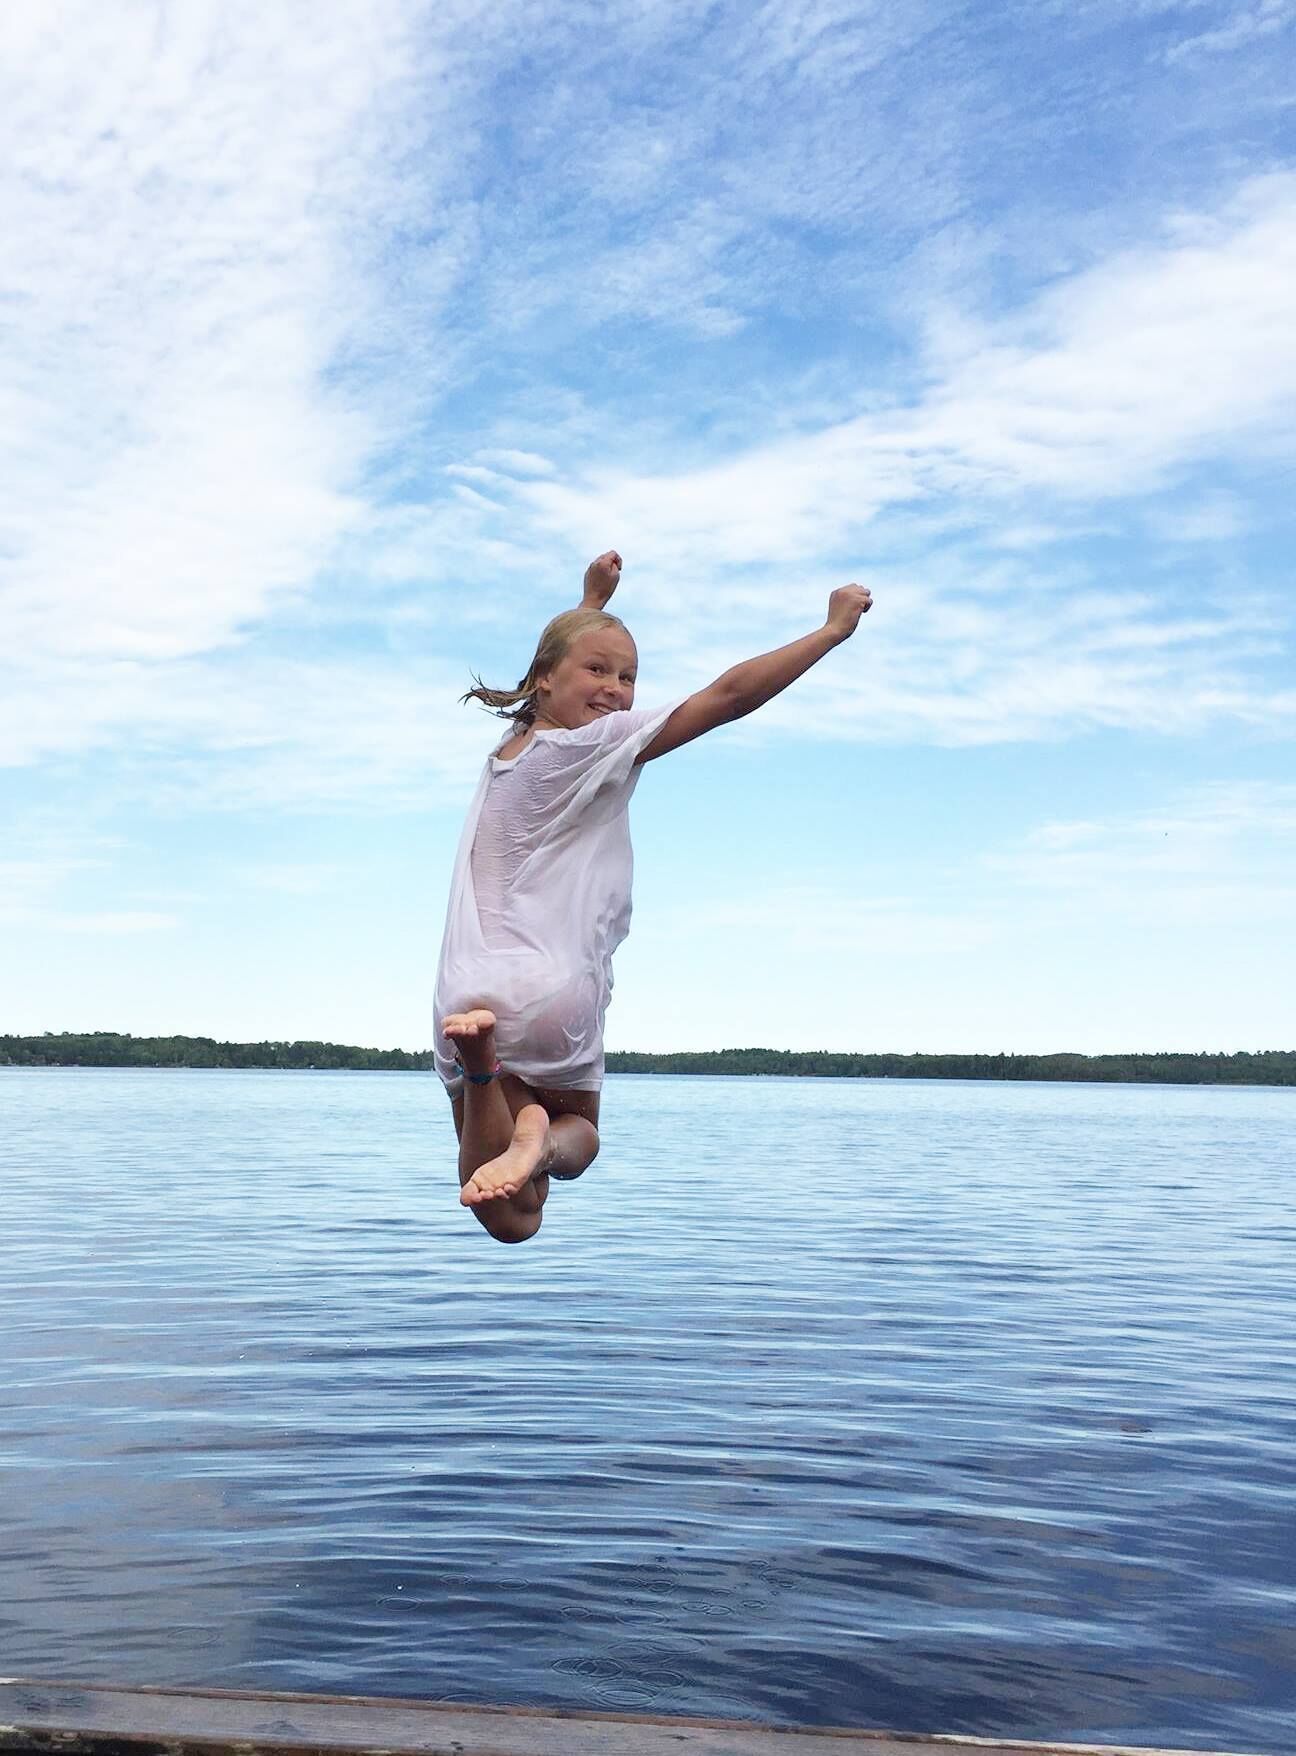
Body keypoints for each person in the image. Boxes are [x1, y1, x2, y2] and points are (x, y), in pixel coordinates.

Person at [434, 550, 872, 1242]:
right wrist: (829, 632)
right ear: (547, 678)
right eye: (600, 671)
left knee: (511, 1216)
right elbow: (726, 698)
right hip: (553, 992)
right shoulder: (600, 744)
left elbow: (563, 667)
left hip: (465, 991)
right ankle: (540, 1142)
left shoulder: (512, 749)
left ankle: (494, 1082)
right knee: (577, 1141)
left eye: (629, 677)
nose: (617, 689)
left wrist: (590, 603)